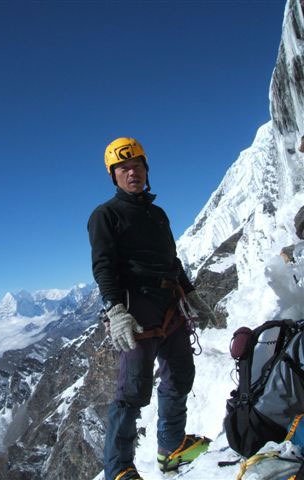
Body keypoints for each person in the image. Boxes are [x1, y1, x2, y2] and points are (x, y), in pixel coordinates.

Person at [88, 137, 218, 480]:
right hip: (136, 310)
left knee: (179, 375)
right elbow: (103, 266)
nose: (133, 173)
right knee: (132, 391)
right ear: (113, 176)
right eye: (124, 168)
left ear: (147, 170)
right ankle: (119, 469)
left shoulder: (158, 214)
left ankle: (171, 446)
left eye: (138, 166)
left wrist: (191, 295)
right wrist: (115, 310)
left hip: (170, 306)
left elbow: (171, 261)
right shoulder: (105, 215)